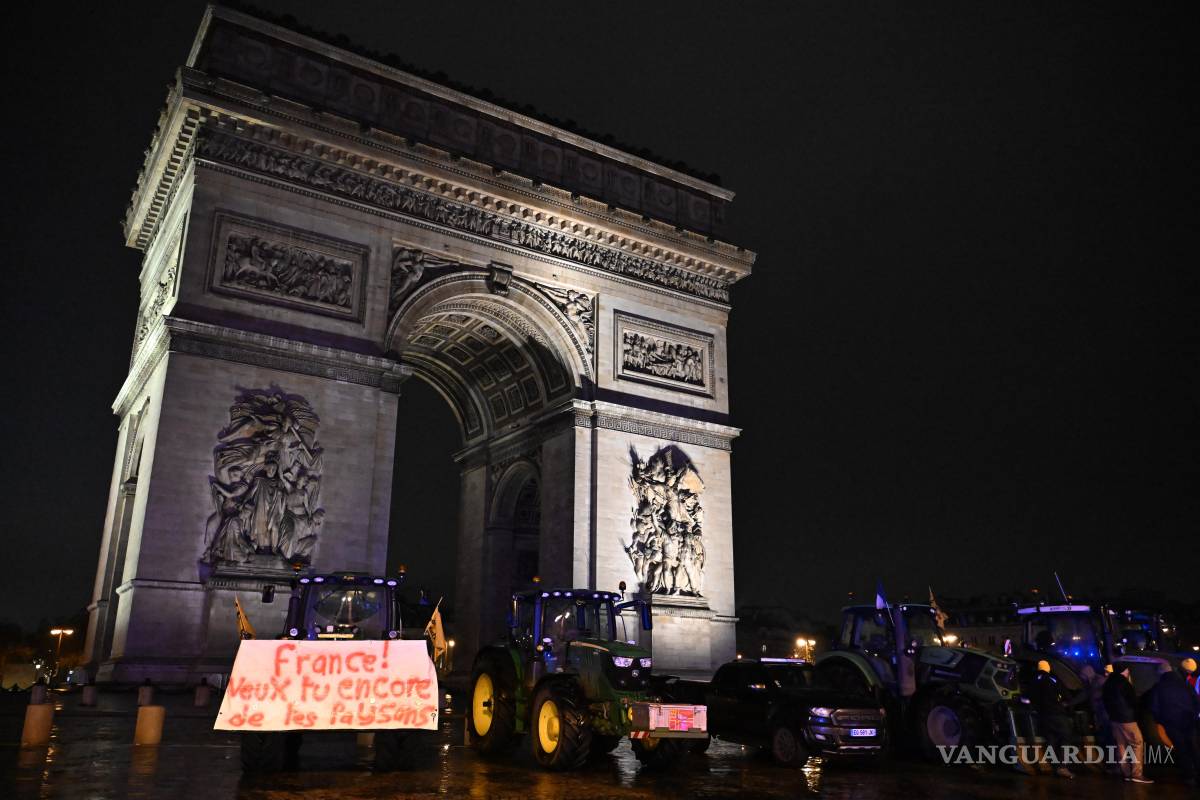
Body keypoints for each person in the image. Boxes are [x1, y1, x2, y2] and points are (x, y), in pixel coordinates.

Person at [1146, 662, 1200, 786]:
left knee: (1182, 750)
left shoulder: (1158, 687)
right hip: (1188, 720)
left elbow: (1154, 707)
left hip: (1172, 724)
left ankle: (1189, 776)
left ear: (1160, 673)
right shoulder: (1184, 684)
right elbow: (1196, 701)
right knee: (1194, 747)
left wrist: (1161, 721)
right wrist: (1194, 715)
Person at [1031, 660, 1082, 778]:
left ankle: (1054, 766)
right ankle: (1062, 767)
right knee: (1065, 738)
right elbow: (1066, 696)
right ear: (1048, 668)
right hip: (1057, 714)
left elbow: (1030, 697)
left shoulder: (1034, 681)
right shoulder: (1053, 679)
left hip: (1043, 715)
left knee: (1051, 740)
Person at [1103, 665, 1152, 784]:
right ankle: (1137, 774)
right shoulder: (1124, 683)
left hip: (1114, 719)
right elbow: (1133, 701)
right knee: (1137, 743)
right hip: (1127, 718)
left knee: (1121, 745)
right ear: (1124, 670)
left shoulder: (1108, 683)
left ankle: (1126, 773)